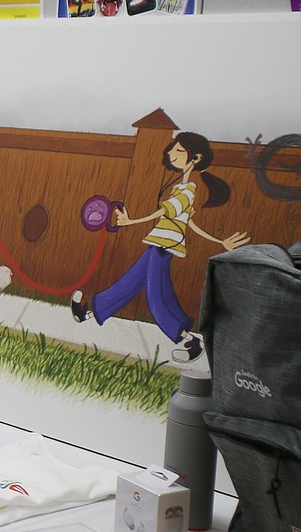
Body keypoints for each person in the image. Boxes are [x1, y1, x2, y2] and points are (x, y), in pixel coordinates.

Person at [71, 132, 249, 362]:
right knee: (132, 283)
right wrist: (220, 241)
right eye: (173, 148)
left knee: (156, 298)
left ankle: (189, 341)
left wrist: (130, 221)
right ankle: (87, 313)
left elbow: (164, 212)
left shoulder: (187, 191)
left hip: (163, 246)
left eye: (178, 150)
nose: (171, 152)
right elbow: (189, 222)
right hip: (160, 244)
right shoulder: (183, 189)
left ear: (194, 158)